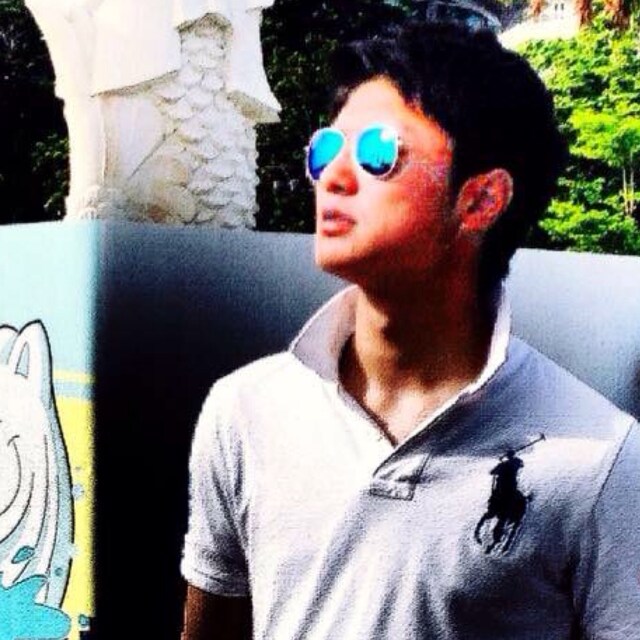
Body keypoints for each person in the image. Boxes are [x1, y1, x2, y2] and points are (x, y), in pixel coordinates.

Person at [180, 21, 640, 640]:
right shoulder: (246, 409)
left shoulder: (600, 458)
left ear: (480, 200)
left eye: (378, 154)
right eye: (325, 151)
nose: (334, 178)